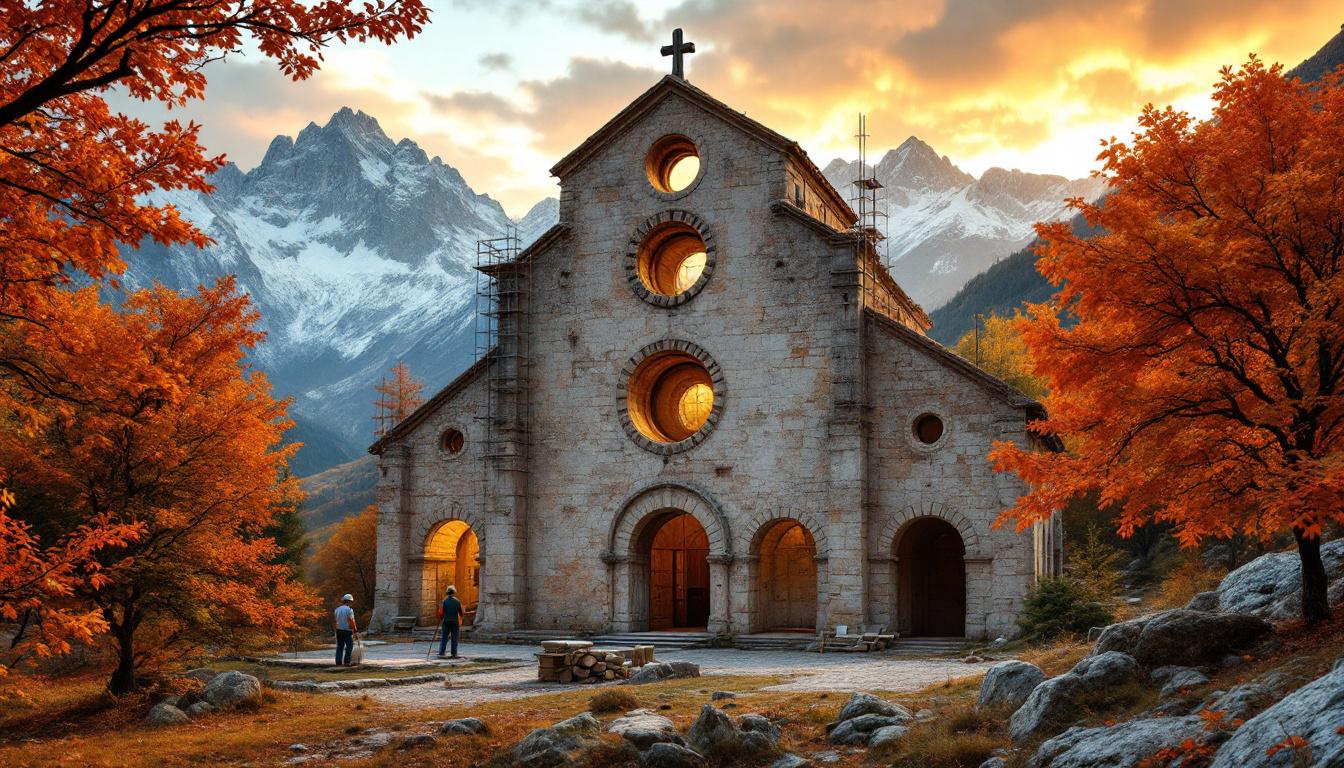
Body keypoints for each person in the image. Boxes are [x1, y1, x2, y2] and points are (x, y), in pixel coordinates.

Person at [437, 586, 465, 658]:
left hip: (446, 622)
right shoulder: (457, 601)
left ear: (447, 593)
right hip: (455, 622)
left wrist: (441, 618)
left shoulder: (444, 601)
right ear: (454, 593)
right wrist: (461, 617)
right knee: (454, 638)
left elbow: (441, 613)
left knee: (444, 637)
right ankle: (454, 653)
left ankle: (441, 652)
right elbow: (461, 613)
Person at [334, 594, 358, 666]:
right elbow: (351, 620)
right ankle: (347, 662)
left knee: (340, 646)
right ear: (349, 601)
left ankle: (338, 662)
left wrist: (335, 630)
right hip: (347, 630)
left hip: (339, 630)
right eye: (351, 602)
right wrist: (355, 629)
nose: (351, 603)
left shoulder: (337, 610)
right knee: (349, 646)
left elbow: (335, 621)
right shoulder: (349, 610)